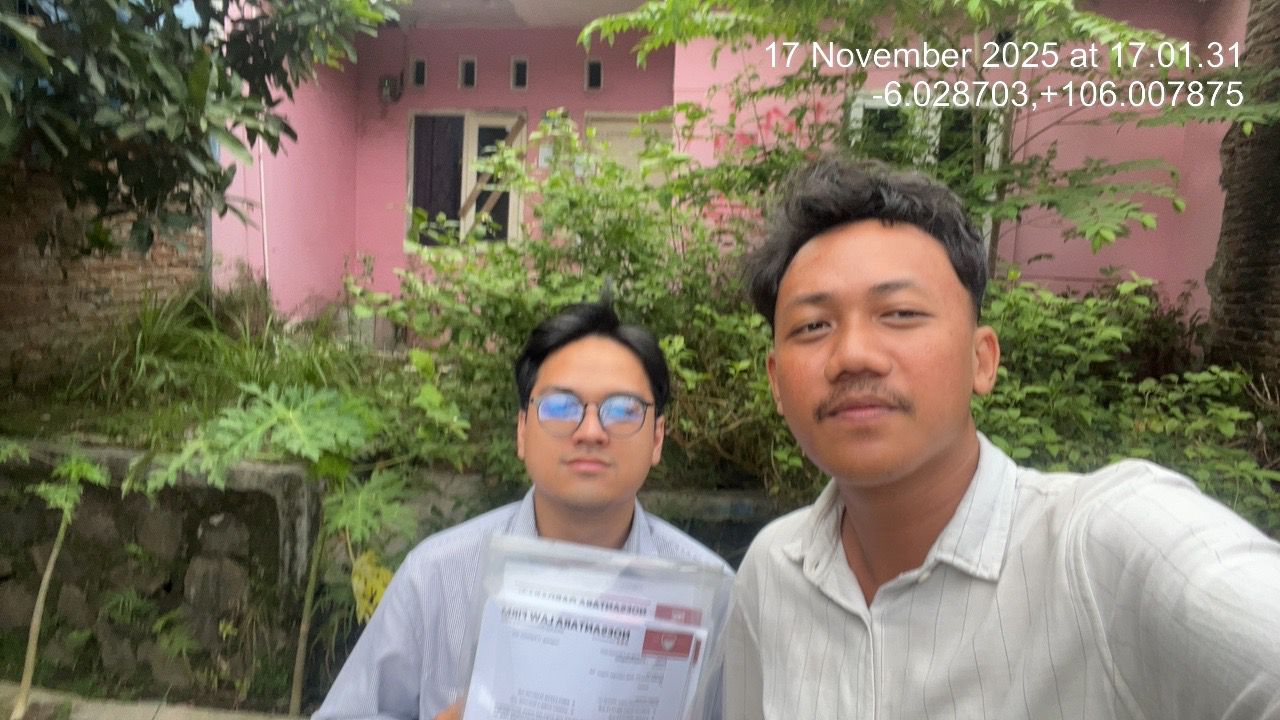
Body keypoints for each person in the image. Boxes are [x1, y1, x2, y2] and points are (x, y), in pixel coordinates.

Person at [725, 156, 1280, 719]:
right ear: (776, 382)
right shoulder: (772, 571)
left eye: (900, 313)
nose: (853, 355)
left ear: (981, 360)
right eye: (813, 326)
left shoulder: (1104, 549)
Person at [314, 301, 731, 720]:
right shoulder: (437, 576)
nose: (590, 432)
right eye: (560, 407)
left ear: (657, 437)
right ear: (522, 431)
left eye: (622, 410)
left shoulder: (713, 595)